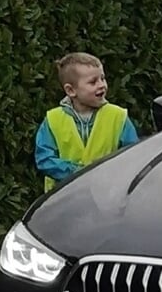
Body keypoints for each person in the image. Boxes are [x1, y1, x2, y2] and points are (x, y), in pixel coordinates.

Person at [35, 52, 141, 191]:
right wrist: (75, 172)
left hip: (107, 196)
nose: (101, 85)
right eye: (93, 82)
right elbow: (44, 159)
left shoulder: (118, 116)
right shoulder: (53, 120)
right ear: (71, 90)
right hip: (63, 200)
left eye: (102, 78)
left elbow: (133, 156)